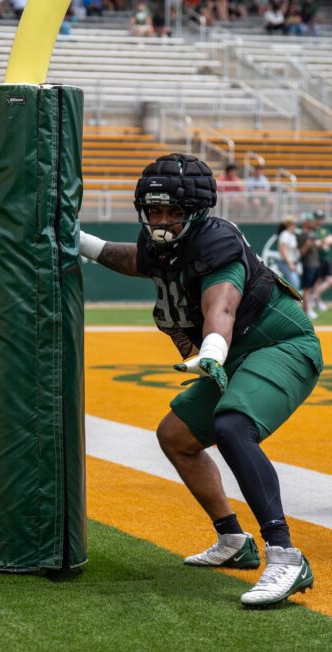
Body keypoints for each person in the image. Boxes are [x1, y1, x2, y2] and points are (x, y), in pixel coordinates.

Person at [79, 153, 321, 607]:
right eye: (155, 212)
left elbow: (221, 308)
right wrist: (82, 242)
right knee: (176, 437)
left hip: (279, 344)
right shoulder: (165, 243)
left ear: (195, 213)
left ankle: (286, 556)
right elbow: (136, 259)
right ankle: (233, 540)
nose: (163, 222)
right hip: (239, 353)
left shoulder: (217, 243)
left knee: (232, 427)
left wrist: (211, 350)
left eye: (173, 213)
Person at [298, 212, 322, 319]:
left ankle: (310, 308)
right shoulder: (303, 234)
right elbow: (301, 252)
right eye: (311, 221)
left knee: (312, 287)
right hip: (308, 264)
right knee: (307, 288)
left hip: (315, 264)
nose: (313, 222)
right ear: (306, 222)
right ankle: (306, 310)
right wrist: (307, 245)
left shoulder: (312, 233)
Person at [275, 216, 301, 290]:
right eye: (295, 224)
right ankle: (293, 301)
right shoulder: (285, 234)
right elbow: (283, 249)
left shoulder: (291, 235)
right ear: (290, 225)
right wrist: (290, 263)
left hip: (290, 262)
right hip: (284, 263)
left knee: (293, 283)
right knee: (294, 283)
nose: (296, 226)